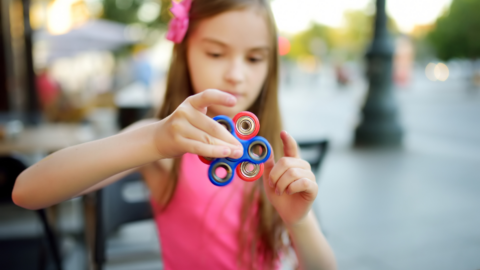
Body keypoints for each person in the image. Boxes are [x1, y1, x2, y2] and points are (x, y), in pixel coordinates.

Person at [12, 0, 336, 269]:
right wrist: (153, 141)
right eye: (215, 53)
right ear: (185, 55)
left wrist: (300, 222)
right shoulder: (163, 144)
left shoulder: (270, 153)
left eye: (254, 58)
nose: (236, 74)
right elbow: (27, 191)